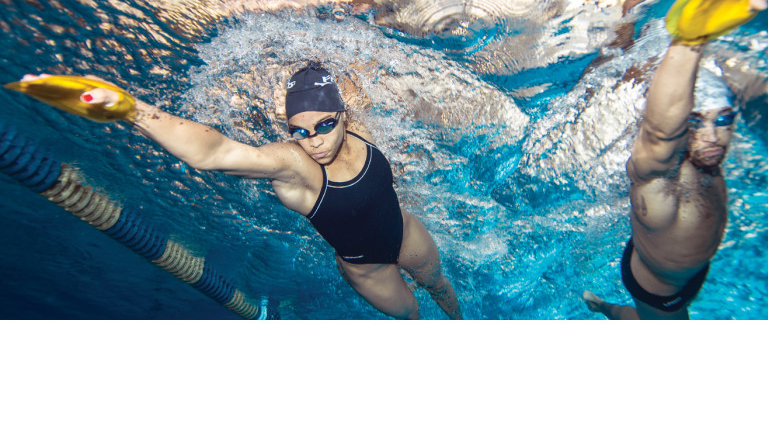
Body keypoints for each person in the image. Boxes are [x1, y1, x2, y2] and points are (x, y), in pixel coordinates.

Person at [19, 63, 463, 320]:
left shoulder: (359, 124)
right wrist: (134, 111)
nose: (314, 141)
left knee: (440, 287)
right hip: (370, 269)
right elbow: (215, 152)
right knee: (412, 317)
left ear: (344, 115)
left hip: (406, 233)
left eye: (325, 125)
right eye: (300, 131)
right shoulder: (296, 166)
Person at [582, 0, 768, 320]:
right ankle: (604, 307)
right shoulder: (657, 187)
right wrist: (690, 41)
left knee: (634, 69)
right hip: (660, 289)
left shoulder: (705, 149)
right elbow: (661, 135)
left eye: (723, 119)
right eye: (696, 123)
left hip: (685, 266)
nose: (713, 136)